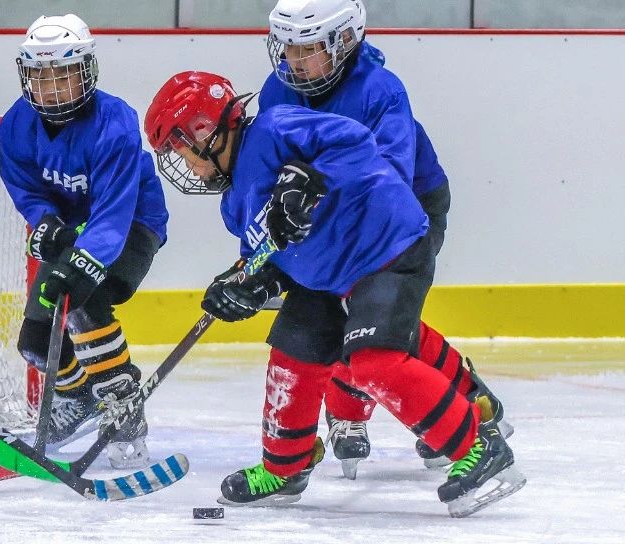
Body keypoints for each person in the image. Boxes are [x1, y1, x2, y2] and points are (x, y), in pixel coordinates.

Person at [143, 71, 524, 517]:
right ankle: (286, 466)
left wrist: (310, 177)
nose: (183, 163)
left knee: (373, 362)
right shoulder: (233, 204)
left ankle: (477, 446)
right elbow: (272, 254)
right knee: (293, 352)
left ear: (204, 130)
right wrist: (247, 283)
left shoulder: (276, 128)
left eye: (180, 148)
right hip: (327, 278)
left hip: (387, 249)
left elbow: (356, 140)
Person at [259, 0, 511, 478]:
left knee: (377, 322)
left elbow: (387, 177)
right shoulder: (280, 89)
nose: (293, 60)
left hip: (406, 211)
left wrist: (313, 183)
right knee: (371, 322)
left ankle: (460, 408)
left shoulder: (380, 90)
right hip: (335, 218)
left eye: (308, 48)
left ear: (345, 42)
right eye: (288, 47)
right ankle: (466, 398)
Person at [0, 14, 169, 469]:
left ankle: (122, 407)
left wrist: (83, 259)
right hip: (73, 231)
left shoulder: (114, 122)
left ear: (86, 72)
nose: (51, 88)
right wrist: (45, 221)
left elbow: (113, 212)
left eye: (63, 75)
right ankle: (79, 398)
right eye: (41, 76)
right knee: (35, 342)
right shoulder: (15, 124)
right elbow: (25, 187)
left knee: (83, 301)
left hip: (131, 224)